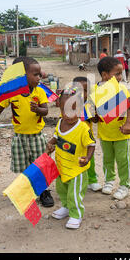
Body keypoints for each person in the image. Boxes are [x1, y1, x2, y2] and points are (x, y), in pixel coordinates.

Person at [0, 57, 54, 207]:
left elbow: (45, 110)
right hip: (20, 137)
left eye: (39, 74)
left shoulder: (39, 91)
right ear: (21, 76)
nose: (39, 78)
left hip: (37, 136)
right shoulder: (12, 93)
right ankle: (28, 191)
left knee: (40, 165)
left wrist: (38, 110)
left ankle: (44, 191)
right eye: (36, 74)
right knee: (25, 167)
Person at [46, 86, 96, 229]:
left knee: (75, 193)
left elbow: (91, 144)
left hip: (76, 170)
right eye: (64, 110)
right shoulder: (60, 123)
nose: (67, 114)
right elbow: (56, 137)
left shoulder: (83, 128)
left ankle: (76, 214)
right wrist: (50, 145)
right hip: (61, 167)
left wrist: (87, 158)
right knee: (62, 190)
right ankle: (66, 207)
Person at [94, 56, 130, 200]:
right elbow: (94, 110)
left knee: (123, 160)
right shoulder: (96, 89)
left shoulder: (122, 88)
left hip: (121, 133)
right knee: (107, 159)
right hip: (105, 133)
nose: (120, 77)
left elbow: (129, 107)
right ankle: (109, 181)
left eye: (121, 73)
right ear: (105, 75)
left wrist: (128, 123)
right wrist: (95, 115)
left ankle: (124, 185)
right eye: (117, 74)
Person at [73, 76, 102, 192]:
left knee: (89, 159)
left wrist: (95, 114)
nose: (81, 94)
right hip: (73, 138)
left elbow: (95, 121)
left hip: (87, 138)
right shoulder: (70, 104)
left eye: (85, 91)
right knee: (74, 159)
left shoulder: (89, 104)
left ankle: (92, 180)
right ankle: (76, 179)